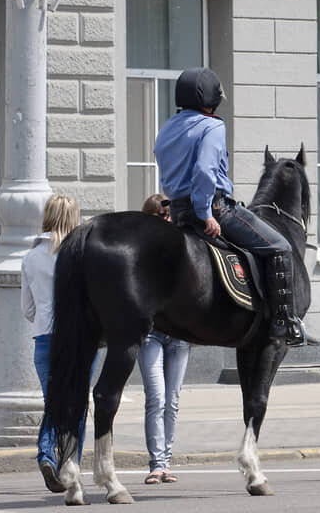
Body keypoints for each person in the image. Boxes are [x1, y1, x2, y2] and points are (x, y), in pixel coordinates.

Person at [153, 66, 306, 346]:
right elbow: (204, 171)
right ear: (210, 100)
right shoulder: (212, 126)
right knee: (280, 246)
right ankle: (284, 323)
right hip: (216, 209)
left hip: (177, 210)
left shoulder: (167, 128)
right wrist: (206, 213)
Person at [22, 194, 91, 493]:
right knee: (77, 405)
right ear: (74, 217)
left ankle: (46, 454)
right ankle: (69, 465)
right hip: (78, 339)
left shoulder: (30, 256)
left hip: (44, 339)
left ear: (47, 216)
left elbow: (28, 310)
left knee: (54, 402)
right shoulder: (83, 253)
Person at [138, 194, 191, 485]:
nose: (167, 219)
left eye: (169, 214)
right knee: (155, 398)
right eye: (161, 215)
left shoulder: (182, 247)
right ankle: (156, 465)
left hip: (180, 335)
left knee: (172, 401)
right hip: (151, 334)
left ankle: (166, 463)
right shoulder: (140, 250)